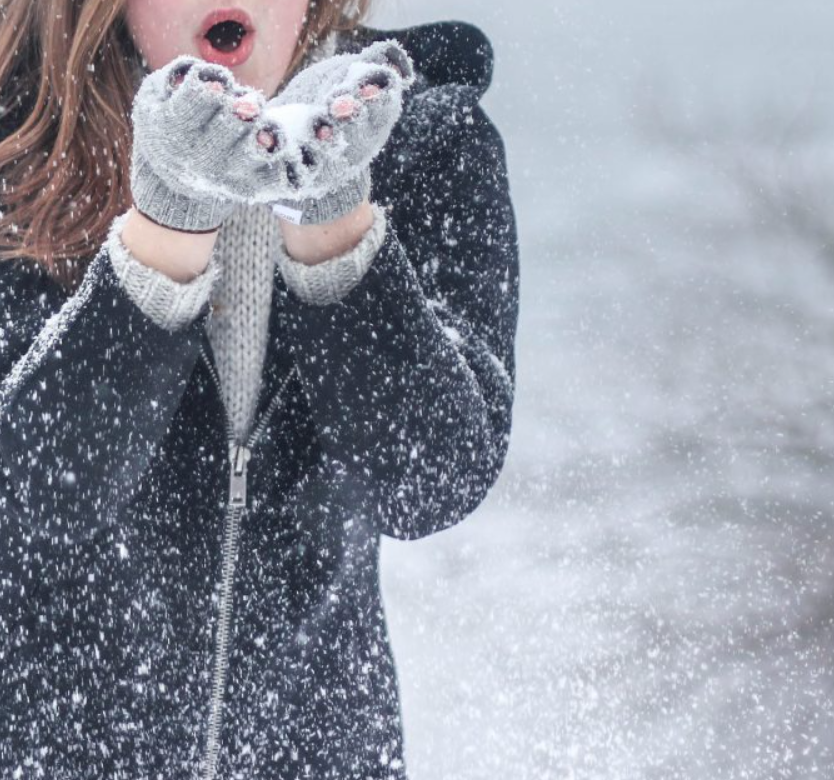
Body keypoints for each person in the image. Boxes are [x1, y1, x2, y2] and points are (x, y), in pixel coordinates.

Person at [0, 0, 519, 776]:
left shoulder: (424, 142)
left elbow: (429, 482)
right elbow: (33, 492)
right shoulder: (19, 147)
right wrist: (167, 229)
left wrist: (335, 221)